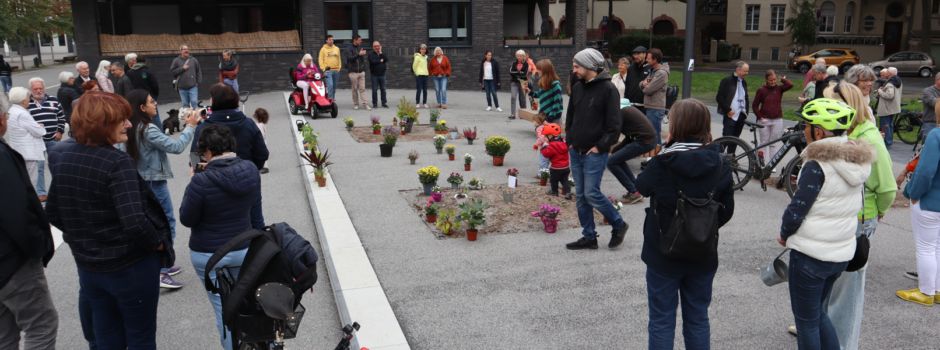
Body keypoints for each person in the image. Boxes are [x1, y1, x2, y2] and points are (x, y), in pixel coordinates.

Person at [45, 91, 173, 350]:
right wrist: (158, 243)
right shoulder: (117, 162)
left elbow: (54, 212)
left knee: (106, 338)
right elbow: (135, 221)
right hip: (130, 268)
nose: (128, 124)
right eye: (121, 120)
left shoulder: (64, 157)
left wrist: (86, 240)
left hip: (90, 268)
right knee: (141, 337)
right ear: (101, 124)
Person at [636, 98, 735, 350]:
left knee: (661, 319)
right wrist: (701, 228)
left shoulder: (663, 162)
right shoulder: (721, 163)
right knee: (698, 318)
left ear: (677, 126)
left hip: (663, 251)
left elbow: (641, 187)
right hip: (703, 252)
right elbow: (726, 211)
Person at [780, 97, 872, 350]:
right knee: (819, 314)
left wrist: (784, 233)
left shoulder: (817, 164)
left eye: (806, 125)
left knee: (807, 321)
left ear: (818, 131)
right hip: (840, 252)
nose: (803, 130)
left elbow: (798, 208)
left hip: (811, 254)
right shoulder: (856, 160)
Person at [820, 81, 896, 350]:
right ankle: (826, 334)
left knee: (848, 293)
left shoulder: (870, 138)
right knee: (833, 285)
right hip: (842, 218)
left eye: (831, 104)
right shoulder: (848, 135)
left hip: (859, 221)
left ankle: (842, 344)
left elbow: (887, 187)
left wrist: (879, 212)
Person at [180, 123, 261, 350]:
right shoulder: (250, 169)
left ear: (206, 151)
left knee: (223, 309)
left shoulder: (201, 181)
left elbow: (187, 218)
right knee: (245, 302)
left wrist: (193, 179)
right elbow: (255, 207)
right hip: (243, 247)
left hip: (208, 254)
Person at [0, 94, 58, 350]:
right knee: (41, 325)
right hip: (12, 262)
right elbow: (17, 211)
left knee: (4, 334)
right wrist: (39, 248)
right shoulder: (2, 156)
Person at [126, 89, 199, 289]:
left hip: (140, 179)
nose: (155, 103)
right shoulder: (147, 129)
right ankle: (161, 270)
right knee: (165, 222)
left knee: (152, 222)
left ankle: (162, 263)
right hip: (153, 182)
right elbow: (175, 147)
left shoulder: (130, 126)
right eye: (151, 101)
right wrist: (191, 126)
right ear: (142, 107)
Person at [564, 48, 628, 250]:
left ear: (590, 66)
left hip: (594, 153)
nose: (573, 70)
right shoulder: (578, 86)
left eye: (577, 66)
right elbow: (571, 116)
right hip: (576, 150)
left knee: (591, 193)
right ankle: (589, 236)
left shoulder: (609, 90)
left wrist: (600, 147)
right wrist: (570, 140)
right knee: (581, 196)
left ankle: (618, 223)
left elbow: (614, 126)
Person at [191, 84, 268, 230]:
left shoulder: (203, 128)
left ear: (214, 102)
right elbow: (262, 153)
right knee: (255, 222)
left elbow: (196, 159)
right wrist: (252, 168)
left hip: (213, 184)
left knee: (219, 226)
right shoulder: (248, 124)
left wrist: (202, 177)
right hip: (247, 180)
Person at [900, 101, 940, 306]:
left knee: (925, 247)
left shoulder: (936, 135)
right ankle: (937, 289)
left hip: (931, 201)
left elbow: (925, 172)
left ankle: (926, 291)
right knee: (938, 247)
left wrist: (913, 193)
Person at [608, 103, 657, 204]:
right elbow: (629, 137)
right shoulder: (624, 111)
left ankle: (634, 192)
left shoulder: (620, 113)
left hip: (644, 141)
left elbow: (614, 135)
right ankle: (636, 189)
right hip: (644, 139)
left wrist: (602, 147)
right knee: (616, 158)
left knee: (611, 162)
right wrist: (614, 150)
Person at [27, 77, 65, 202]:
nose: (38, 91)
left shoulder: (53, 100)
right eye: (35, 89)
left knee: (57, 165)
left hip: (53, 138)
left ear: (44, 88)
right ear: (31, 90)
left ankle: (59, 191)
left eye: (40, 88)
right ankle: (41, 193)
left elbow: (61, 116)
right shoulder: (27, 103)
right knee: (39, 167)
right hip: (36, 141)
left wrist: (60, 131)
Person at [6, 86, 47, 189]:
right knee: (31, 182)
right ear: (23, 100)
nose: (29, 100)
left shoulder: (11, 111)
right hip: (28, 152)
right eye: (28, 97)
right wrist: (40, 126)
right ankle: (31, 204)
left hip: (18, 150)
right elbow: (39, 132)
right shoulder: (22, 114)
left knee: (23, 180)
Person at [752, 70, 793, 166]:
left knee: (773, 142)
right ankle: (760, 164)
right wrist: (760, 117)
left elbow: (790, 85)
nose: (773, 82)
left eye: (774, 79)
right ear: (766, 80)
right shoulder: (761, 90)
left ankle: (772, 164)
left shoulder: (779, 89)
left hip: (777, 119)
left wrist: (782, 79)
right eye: (770, 80)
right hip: (764, 120)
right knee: (764, 142)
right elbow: (755, 106)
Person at [716, 61, 751, 154]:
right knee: (727, 138)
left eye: (747, 71)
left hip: (741, 115)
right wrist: (727, 110)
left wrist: (746, 112)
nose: (746, 73)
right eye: (745, 71)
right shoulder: (727, 80)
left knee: (736, 140)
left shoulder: (744, 82)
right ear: (738, 70)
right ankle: (718, 158)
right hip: (730, 115)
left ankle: (731, 159)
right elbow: (719, 97)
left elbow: (746, 97)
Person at [642, 48, 670, 144]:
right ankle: (654, 154)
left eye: (648, 58)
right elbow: (641, 83)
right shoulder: (652, 71)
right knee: (651, 133)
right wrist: (644, 84)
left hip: (656, 108)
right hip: (650, 106)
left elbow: (648, 90)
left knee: (654, 133)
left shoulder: (661, 73)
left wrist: (645, 85)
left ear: (655, 59)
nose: (646, 60)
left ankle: (657, 155)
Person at [539, 123, 572, 198]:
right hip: (566, 167)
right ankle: (568, 192)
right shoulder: (564, 142)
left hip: (555, 168)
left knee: (554, 180)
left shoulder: (551, 146)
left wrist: (543, 147)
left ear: (550, 136)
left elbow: (546, 154)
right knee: (565, 180)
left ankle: (554, 192)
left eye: (546, 136)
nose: (545, 138)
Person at [527, 59, 564, 124]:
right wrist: (530, 92)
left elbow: (557, 104)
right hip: (543, 115)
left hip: (553, 117)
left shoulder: (556, 85)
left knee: (553, 134)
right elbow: (539, 94)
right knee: (541, 133)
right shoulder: (544, 82)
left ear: (545, 71)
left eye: (539, 69)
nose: (537, 71)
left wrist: (549, 118)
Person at [170, 45, 203, 109]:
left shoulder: (193, 60)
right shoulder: (176, 60)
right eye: (184, 49)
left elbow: (198, 71)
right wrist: (182, 68)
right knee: (185, 105)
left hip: (193, 86)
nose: (186, 50)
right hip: (182, 88)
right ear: (180, 51)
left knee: (194, 102)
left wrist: (198, 82)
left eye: (187, 49)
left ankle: (196, 118)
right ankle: (188, 118)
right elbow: (173, 72)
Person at [875, 68, 901, 147]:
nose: (885, 74)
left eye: (886, 73)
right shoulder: (898, 81)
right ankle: (889, 141)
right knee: (890, 125)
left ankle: (887, 142)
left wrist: (880, 91)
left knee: (885, 125)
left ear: (889, 74)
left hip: (886, 108)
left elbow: (890, 95)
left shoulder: (890, 84)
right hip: (893, 107)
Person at [345, 35, 371, 110]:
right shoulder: (349, 48)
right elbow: (350, 58)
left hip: (361, 72)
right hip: (353, 72)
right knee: (355, 89)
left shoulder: (360, 47)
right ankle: (356, 104)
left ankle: (365, 104)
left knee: (362, 89)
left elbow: (362, 59)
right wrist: (358, 54)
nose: (361, 41)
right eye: (359, 40)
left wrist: (364, 69)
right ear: (355, 40)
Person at [625, 46, 650, 113]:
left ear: (645, 54)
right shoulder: (631, 68)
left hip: (645, 106)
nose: (635, 56)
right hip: (631, 104)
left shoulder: (650, 68)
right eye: (634, 54)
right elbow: (627, 84)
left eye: (638, 54)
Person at [318, 34, 342, 99]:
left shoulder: (337, 48)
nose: (331, 41)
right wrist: (323, 69)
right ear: (326, 41)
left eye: (332, 39)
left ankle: (332, 99)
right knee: (330, 85)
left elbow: (339, 58)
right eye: (329, 40)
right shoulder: (323, 49)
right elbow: (320, 60)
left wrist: (339, 67)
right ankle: (330, 99)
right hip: (328, 71)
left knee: (334, 86)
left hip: (336, 70)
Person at [508, 50, 530, 119]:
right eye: (518, 56)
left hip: (523, 82)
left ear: (523, 56)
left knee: (522, 98)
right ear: (516, 56)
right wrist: (519, 73)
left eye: (521, 56)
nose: (519, 57)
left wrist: (517, 73)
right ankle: (513, 114)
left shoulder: (526, 64)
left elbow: (524, 74)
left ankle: (523, 114)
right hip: (514, 82)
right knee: (513, 97)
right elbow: (511, 72)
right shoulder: (514, 63)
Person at [368, 41, 389, 108]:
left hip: (382, 74)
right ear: (373, 47)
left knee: (383, 89)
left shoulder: (382, 53)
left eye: (378, 46)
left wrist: (381, 53)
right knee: (374, 90)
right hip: (374, 75)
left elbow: (386, 59)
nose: (377, 47)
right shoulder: (370, 54)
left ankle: (384, 103)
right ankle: (375, 103)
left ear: (380, 46)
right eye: (375, 46)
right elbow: (373, 61)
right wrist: (380, 60)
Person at [921, 73, 940, 137]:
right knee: (928, 144)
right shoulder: (928, 91)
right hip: (931, 123)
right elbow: (934, 103)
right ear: (937, 80)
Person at [252, 108, 270, 174]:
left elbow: (261, 134)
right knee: (261, 154)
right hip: (263, 142)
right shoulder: (262, 124)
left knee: (260, 154)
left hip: (260, 142)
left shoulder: (259, 125)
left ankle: (264, 167)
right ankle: (262, 166)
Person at [413, 44, 430, 108]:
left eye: (424, 49)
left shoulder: (426, 57)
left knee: (425, 90)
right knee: (419, 89)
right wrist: (416, 73)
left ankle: (424, 103)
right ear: (420, 50)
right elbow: (414, 66)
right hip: (419, 75)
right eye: (422, 49)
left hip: (425, 75)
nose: (423, 50)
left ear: (426, 50)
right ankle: (417, 103)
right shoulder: (417, 57)